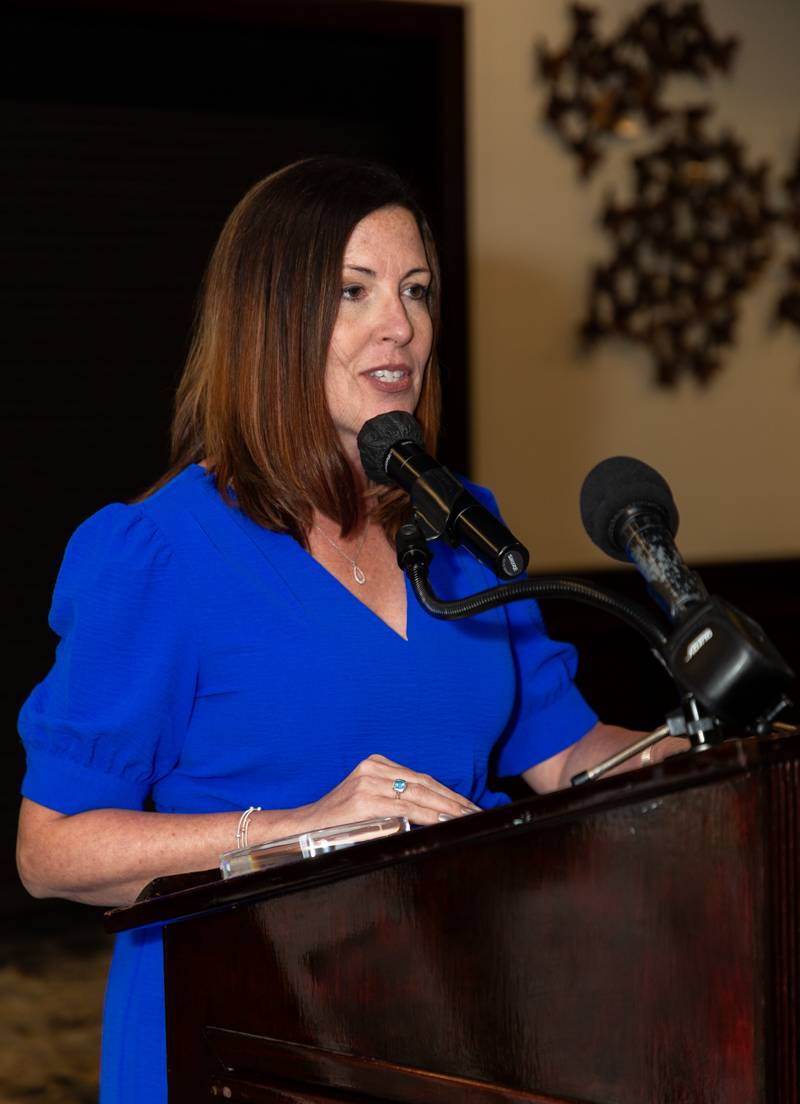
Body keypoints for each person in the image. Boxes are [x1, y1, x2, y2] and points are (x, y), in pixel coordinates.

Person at [16, 156, 683, 1103]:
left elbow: (565, 755)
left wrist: (688, 759)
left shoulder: (460, 532)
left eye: (416, 291)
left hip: (447, 1024)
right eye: (353, 291)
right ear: (272, 318)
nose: (401, 326)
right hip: (237, 1041)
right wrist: (304, 830)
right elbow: (52, 853)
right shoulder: (158, 554)